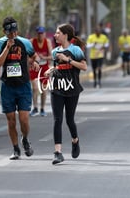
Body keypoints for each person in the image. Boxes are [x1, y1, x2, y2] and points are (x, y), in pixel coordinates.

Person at [0, 16, 39, 160]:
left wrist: (35, 62)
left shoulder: (26, 43)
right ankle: (15, 149)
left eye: (14, 31)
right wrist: (7, 48)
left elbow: (34, 55)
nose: (13, 34)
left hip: (23, 85)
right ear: (4, 31)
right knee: (11, 120)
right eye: (9, 32)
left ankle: (25, 139)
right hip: (7, 86)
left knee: (24, 119)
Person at [44, 23, 87, 165]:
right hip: (57, 87)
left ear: (65, 35)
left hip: (72, 88)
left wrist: (68, 59)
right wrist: (50, 70)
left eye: (57, 33)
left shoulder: (76, 50)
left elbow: (84, 66)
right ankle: (58, 152)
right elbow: (56, 67)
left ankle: (75, 140)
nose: (55, 35)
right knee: (57, 119)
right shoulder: (55, 51)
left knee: (69, 120)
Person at [29, 26, 53, 117]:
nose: (40, 35)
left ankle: (42, 108)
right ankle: (35, 108)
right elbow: (28, 55)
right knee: (35, 88)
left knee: (43, 89)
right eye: (39, 33)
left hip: (44, 68)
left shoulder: (48, 42)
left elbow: (51, 57)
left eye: (42, 33)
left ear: (45, 34)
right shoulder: (32, 42)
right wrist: (33, 60)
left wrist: (44, 57)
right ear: (37, 34)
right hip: (35, 67)